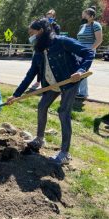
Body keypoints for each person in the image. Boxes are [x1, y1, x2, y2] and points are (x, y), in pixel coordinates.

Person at [6, 18, 94, 165]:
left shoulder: (62, 41)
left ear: (40, 31)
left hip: (69, 83)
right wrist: (16, 94)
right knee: (42, 106)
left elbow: (88, 53)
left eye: (31, 33)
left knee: (63, 112)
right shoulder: (39, 52)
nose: (30, 36)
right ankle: (40, 139)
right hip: (52, 84)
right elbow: (30, 75)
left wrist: (80, 70)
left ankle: (64, 153)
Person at [30, 9, 61, 91]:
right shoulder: (42, 25)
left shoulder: (56, 26)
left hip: (50, 50)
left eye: (51, 16)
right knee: (39, 65)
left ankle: (49, 83)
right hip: (40, 48)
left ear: (54, 17)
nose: (49, 17)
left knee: (48, 66)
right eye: (48, 16)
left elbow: (55, 37)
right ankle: (38, 81)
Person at [76, 6, 103, 99]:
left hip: (88, 49)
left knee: (83, 70)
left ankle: (83, 93)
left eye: (85, 14)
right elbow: (78, 39)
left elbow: (99, 40)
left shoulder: (96, 25)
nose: (83, 16)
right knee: (76, 70)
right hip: (79, 50)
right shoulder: (82, 26)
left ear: (91, 16)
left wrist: (90, 50)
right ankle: (77, 91)